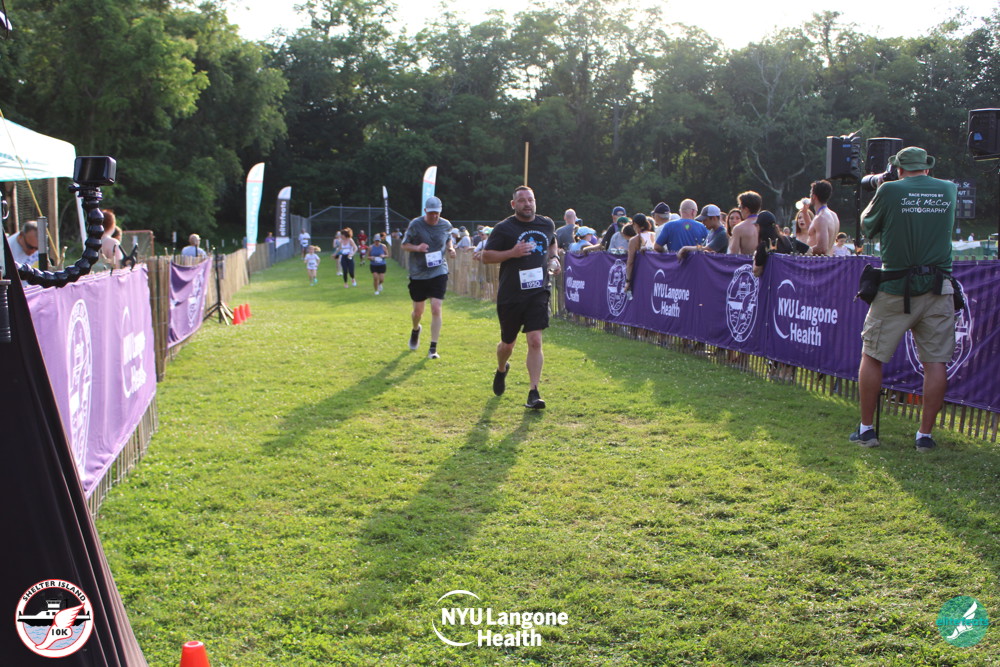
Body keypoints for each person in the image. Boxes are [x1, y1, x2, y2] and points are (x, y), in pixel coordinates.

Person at [851, 146, 958, 453]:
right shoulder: (948, 190)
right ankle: (924, 435)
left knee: (872, 354)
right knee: (935, 362)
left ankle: (867, 430)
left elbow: (867, 226)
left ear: (898, 169)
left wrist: (881, 189)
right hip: (938, 288)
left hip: (895, 288)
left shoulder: (889, 190)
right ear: (927, 167)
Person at [482, 185, 559, 409]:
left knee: (535, 340)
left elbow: (552, 241)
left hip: (538, 291)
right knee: (507, 344)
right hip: (511, 294)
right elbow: (486, 256)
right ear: (513, 204)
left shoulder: (546, 223)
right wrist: (512, 253)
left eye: (530, 199)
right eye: (522, 200)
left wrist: (554, 258)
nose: (527, 204)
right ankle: (501, 368)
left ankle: (533, 392)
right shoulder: (504, 228)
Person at [401, 196, 455, 359]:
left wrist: (450, 248)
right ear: (425, 211)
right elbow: (404, 245)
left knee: (436, 307)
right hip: (418, 273)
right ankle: (416, 329)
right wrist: (417, 247)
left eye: (437, 213)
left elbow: (448, 239)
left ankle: (433, 348)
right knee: (418, 312)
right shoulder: (416, 224)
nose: (434, 216)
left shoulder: (445, 225)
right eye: (431, 213)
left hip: (438, 270)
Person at [807, 179, 840, 256]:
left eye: (810, 193)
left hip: (817, 261)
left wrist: (802, 250)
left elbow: (822, 248)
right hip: (827, 260)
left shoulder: (821, 217)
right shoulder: (834, 215)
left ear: (814, 196)